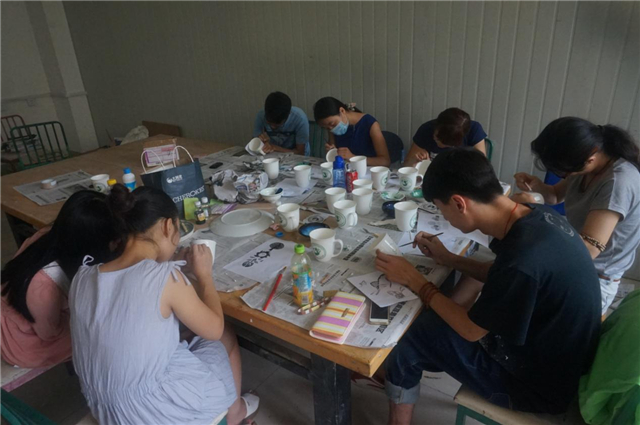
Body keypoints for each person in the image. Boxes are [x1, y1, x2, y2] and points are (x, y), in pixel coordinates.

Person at [375, 149, 601, 424]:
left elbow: (471, 330)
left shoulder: (523, 260)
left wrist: (415, 280)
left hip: (537, 387)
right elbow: (499, 273)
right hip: (557, 357)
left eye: (441, 209)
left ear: (459, 203)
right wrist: (450, 259)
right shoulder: (535, 216)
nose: (444, 218)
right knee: (439, 316)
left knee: (414, 332)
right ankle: (404, 371)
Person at [70, 185, 259, 425]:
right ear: (169, 226)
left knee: (185, 336)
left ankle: (233, 409)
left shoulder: (83, 277)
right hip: (156, 412)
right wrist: (204, 276)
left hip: (105, 408)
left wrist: (167, 267)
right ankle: (235, 413)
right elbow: (214, 329)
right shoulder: (164, 278)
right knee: (224, 337)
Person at [514, 117, 640, 314]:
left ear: (591, 156)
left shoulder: (618, 182)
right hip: (576, 260)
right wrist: (536, 185)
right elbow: (555, 196)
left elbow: (590, 248)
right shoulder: (587, 165)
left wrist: (531, 221)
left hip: (595, 277)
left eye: (566, 171)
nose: (566, 175)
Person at [1, 191, 120, 368]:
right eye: (113, 240)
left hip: (39, 315)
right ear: (92, 243)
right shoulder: (43, 285)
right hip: (25, 340)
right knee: (108, 331)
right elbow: (49, 333)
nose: (117, 243)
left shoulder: (54, 235)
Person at [313, 97, 390, 167]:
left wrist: (353, 158)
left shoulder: (370, 124)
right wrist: (332, 152)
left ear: (342, 111)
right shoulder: (332, 128)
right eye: (326, 128)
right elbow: (334, 154)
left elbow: (385, 161)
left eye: (332, 124)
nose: (331, 129)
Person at [404, 107, 487, 166]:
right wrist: (415, 161)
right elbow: (406, 165)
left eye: (444, 142)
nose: (436, 140)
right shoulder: (426, 129)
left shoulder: (474, 130)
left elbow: (481, 166)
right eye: (436, 137)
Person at [253, 91, 309, 156]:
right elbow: (254, 143)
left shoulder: (299, 118)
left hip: (295, 157)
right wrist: (261, 143)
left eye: (277, 125)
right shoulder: (261, 115)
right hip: (271, 154)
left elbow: (300, 152)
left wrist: (274, 148)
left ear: (288, 116)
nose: (272, 127)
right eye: (269, 123)